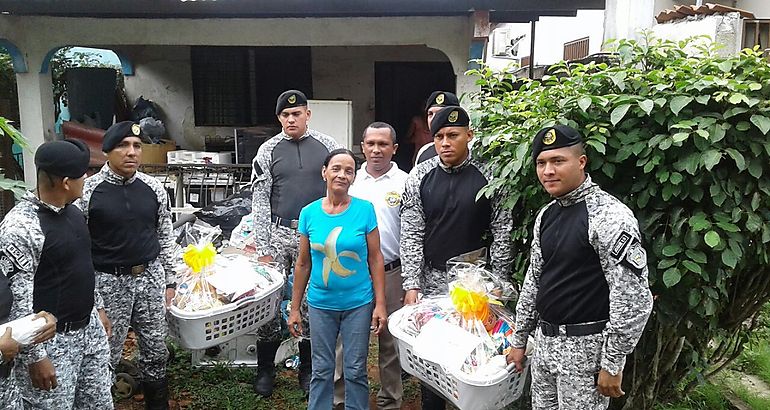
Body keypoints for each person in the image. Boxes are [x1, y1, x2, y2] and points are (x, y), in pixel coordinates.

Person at [507, 125, 654, 409]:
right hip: (545, 345)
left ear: (581, 162)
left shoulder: (609, 216)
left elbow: (632, 298)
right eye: (541, 163)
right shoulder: (547, 214)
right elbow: (534, 280)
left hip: (585, 352)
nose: (548, 171)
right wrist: (520, 339)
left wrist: (613, 362)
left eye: (558, 161)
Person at [400, 106, 513, 409]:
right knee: (432, 353)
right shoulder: (420, 176)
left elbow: (502, 229)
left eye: (453, 135)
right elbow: (411, 232)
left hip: (475, 285)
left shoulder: (488, 175)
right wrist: (411, 283)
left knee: (474, 353)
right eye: (439, 137)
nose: (445, 143)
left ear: (469, 135)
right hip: (432, 280)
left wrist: (498, 281)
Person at [0, 139, 112, 409]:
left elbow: (82, 264)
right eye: (82, 176)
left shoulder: (72, 211)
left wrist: (97, 308)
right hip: (52, 344)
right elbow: (17, 303)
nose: (86, 180)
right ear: (65, 183)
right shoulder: (21, 227)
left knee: (98, 403)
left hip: (88, 333)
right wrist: (36, 357)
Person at [77, 121, 177, 410]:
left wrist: (170, 281)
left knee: (156, 350)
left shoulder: (153, 188)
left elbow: (165, 236)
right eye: (123, 146)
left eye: (137, 146)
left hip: (150, 278)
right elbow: (80, 248)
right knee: (107, 352)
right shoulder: (89, 191)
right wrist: (94, 300)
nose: (131, 152)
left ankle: (156, 404)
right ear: (107, 151)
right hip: (108, 282)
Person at [251, 90, 341, 396]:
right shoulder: (268, 150)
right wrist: (262, 247)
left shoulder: (328, 146)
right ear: (279, 118)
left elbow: (337, 190)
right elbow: (260, 200)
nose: (292, 119)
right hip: (278, 234)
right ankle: (265, 369)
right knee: (269, 302)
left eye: (297, 113)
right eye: (286, 115)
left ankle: (307, 369)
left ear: (307, 114)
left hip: (313, 235)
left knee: (309, 302)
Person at [288, 148, 388, 410]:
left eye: (349, 171)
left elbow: (376, 259)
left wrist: (380, 304)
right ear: (324, 173)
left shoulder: (365, 210)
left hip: (358, 303)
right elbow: (303, 263)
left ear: (354, 178)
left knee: (355, 369)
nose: (342, 175)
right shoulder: (308, 213)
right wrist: (295, 308)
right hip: (321, 303)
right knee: (322, 368)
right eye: (336, 169)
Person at [333, 122, 408, 409]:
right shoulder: (349, 180)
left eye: (383, 144)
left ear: (394, 148)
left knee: (391, 339)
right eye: (371, 144)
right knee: (346, 339)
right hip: (352, 271)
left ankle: (390, 399)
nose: (376, 150)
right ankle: (340, 398)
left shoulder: (406, 181)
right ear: (362, 146)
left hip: (392, 271)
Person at [413, 91, 460, 165]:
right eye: (430, 114)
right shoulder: (424, 152)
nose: (433, 119)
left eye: (439, 113)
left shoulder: (474, 152)